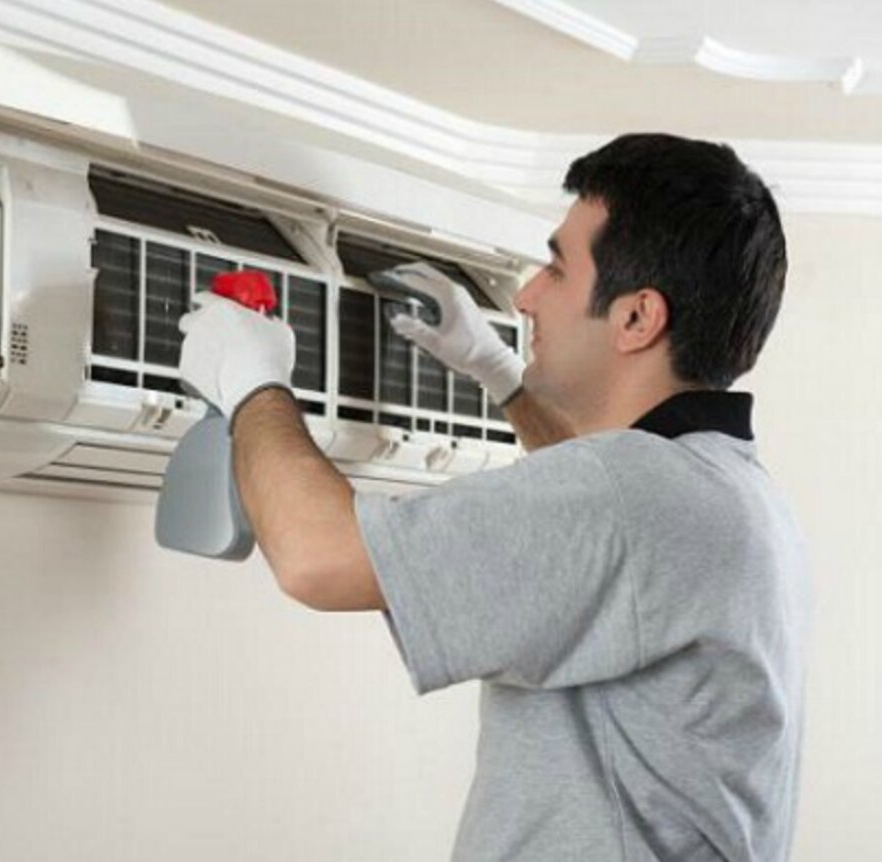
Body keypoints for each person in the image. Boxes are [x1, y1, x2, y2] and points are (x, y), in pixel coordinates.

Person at [177, 133, 810, 861]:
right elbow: (598, 543)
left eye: (557, 268)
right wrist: (500, 374)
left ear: (637, 318)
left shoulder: (631, 494)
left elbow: (318, 557)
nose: (526, 295)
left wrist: (253, 382)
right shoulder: (729, 489)